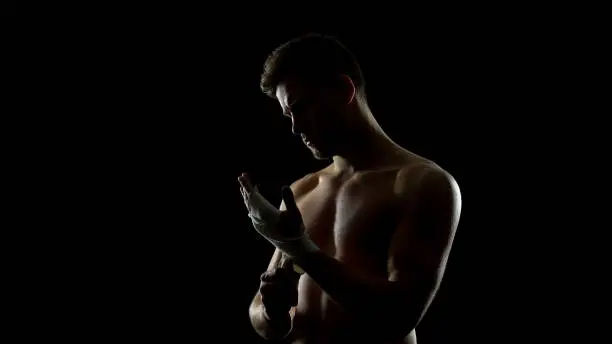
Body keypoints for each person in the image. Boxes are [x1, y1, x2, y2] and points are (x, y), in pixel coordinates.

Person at [238, 33, 461, 344]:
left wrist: (300, 247)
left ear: (344, 90)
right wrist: (273, 310)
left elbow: (399, 316)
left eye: (302, 108)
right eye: (289, 115)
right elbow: (260, 314)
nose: (295, 127)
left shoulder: (422, 184)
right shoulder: (303, 190)